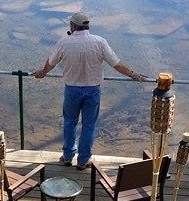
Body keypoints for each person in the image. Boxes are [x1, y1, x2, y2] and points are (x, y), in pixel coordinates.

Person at [32, 12, 147, 169]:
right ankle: (83, 160)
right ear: (87, 26)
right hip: (92, 90)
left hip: (72, 90)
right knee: (89, 125)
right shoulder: (99, 42)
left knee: (69, 122)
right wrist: (133, 74)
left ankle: (67, 156)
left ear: (72, 26)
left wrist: (42, 72)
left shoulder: (64, 42)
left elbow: (51, 62)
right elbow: (116, 64)